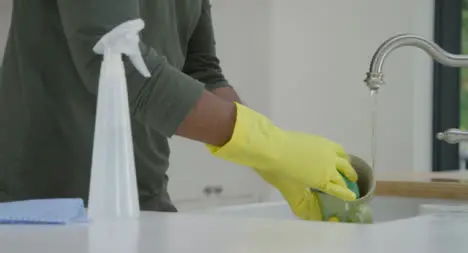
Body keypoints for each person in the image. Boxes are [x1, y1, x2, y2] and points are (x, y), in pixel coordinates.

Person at [0, 0, 357, 220]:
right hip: (44, 209)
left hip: (141, 200)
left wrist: (274, 161)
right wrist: (272, 147)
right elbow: (119, 62)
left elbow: (203, 70)